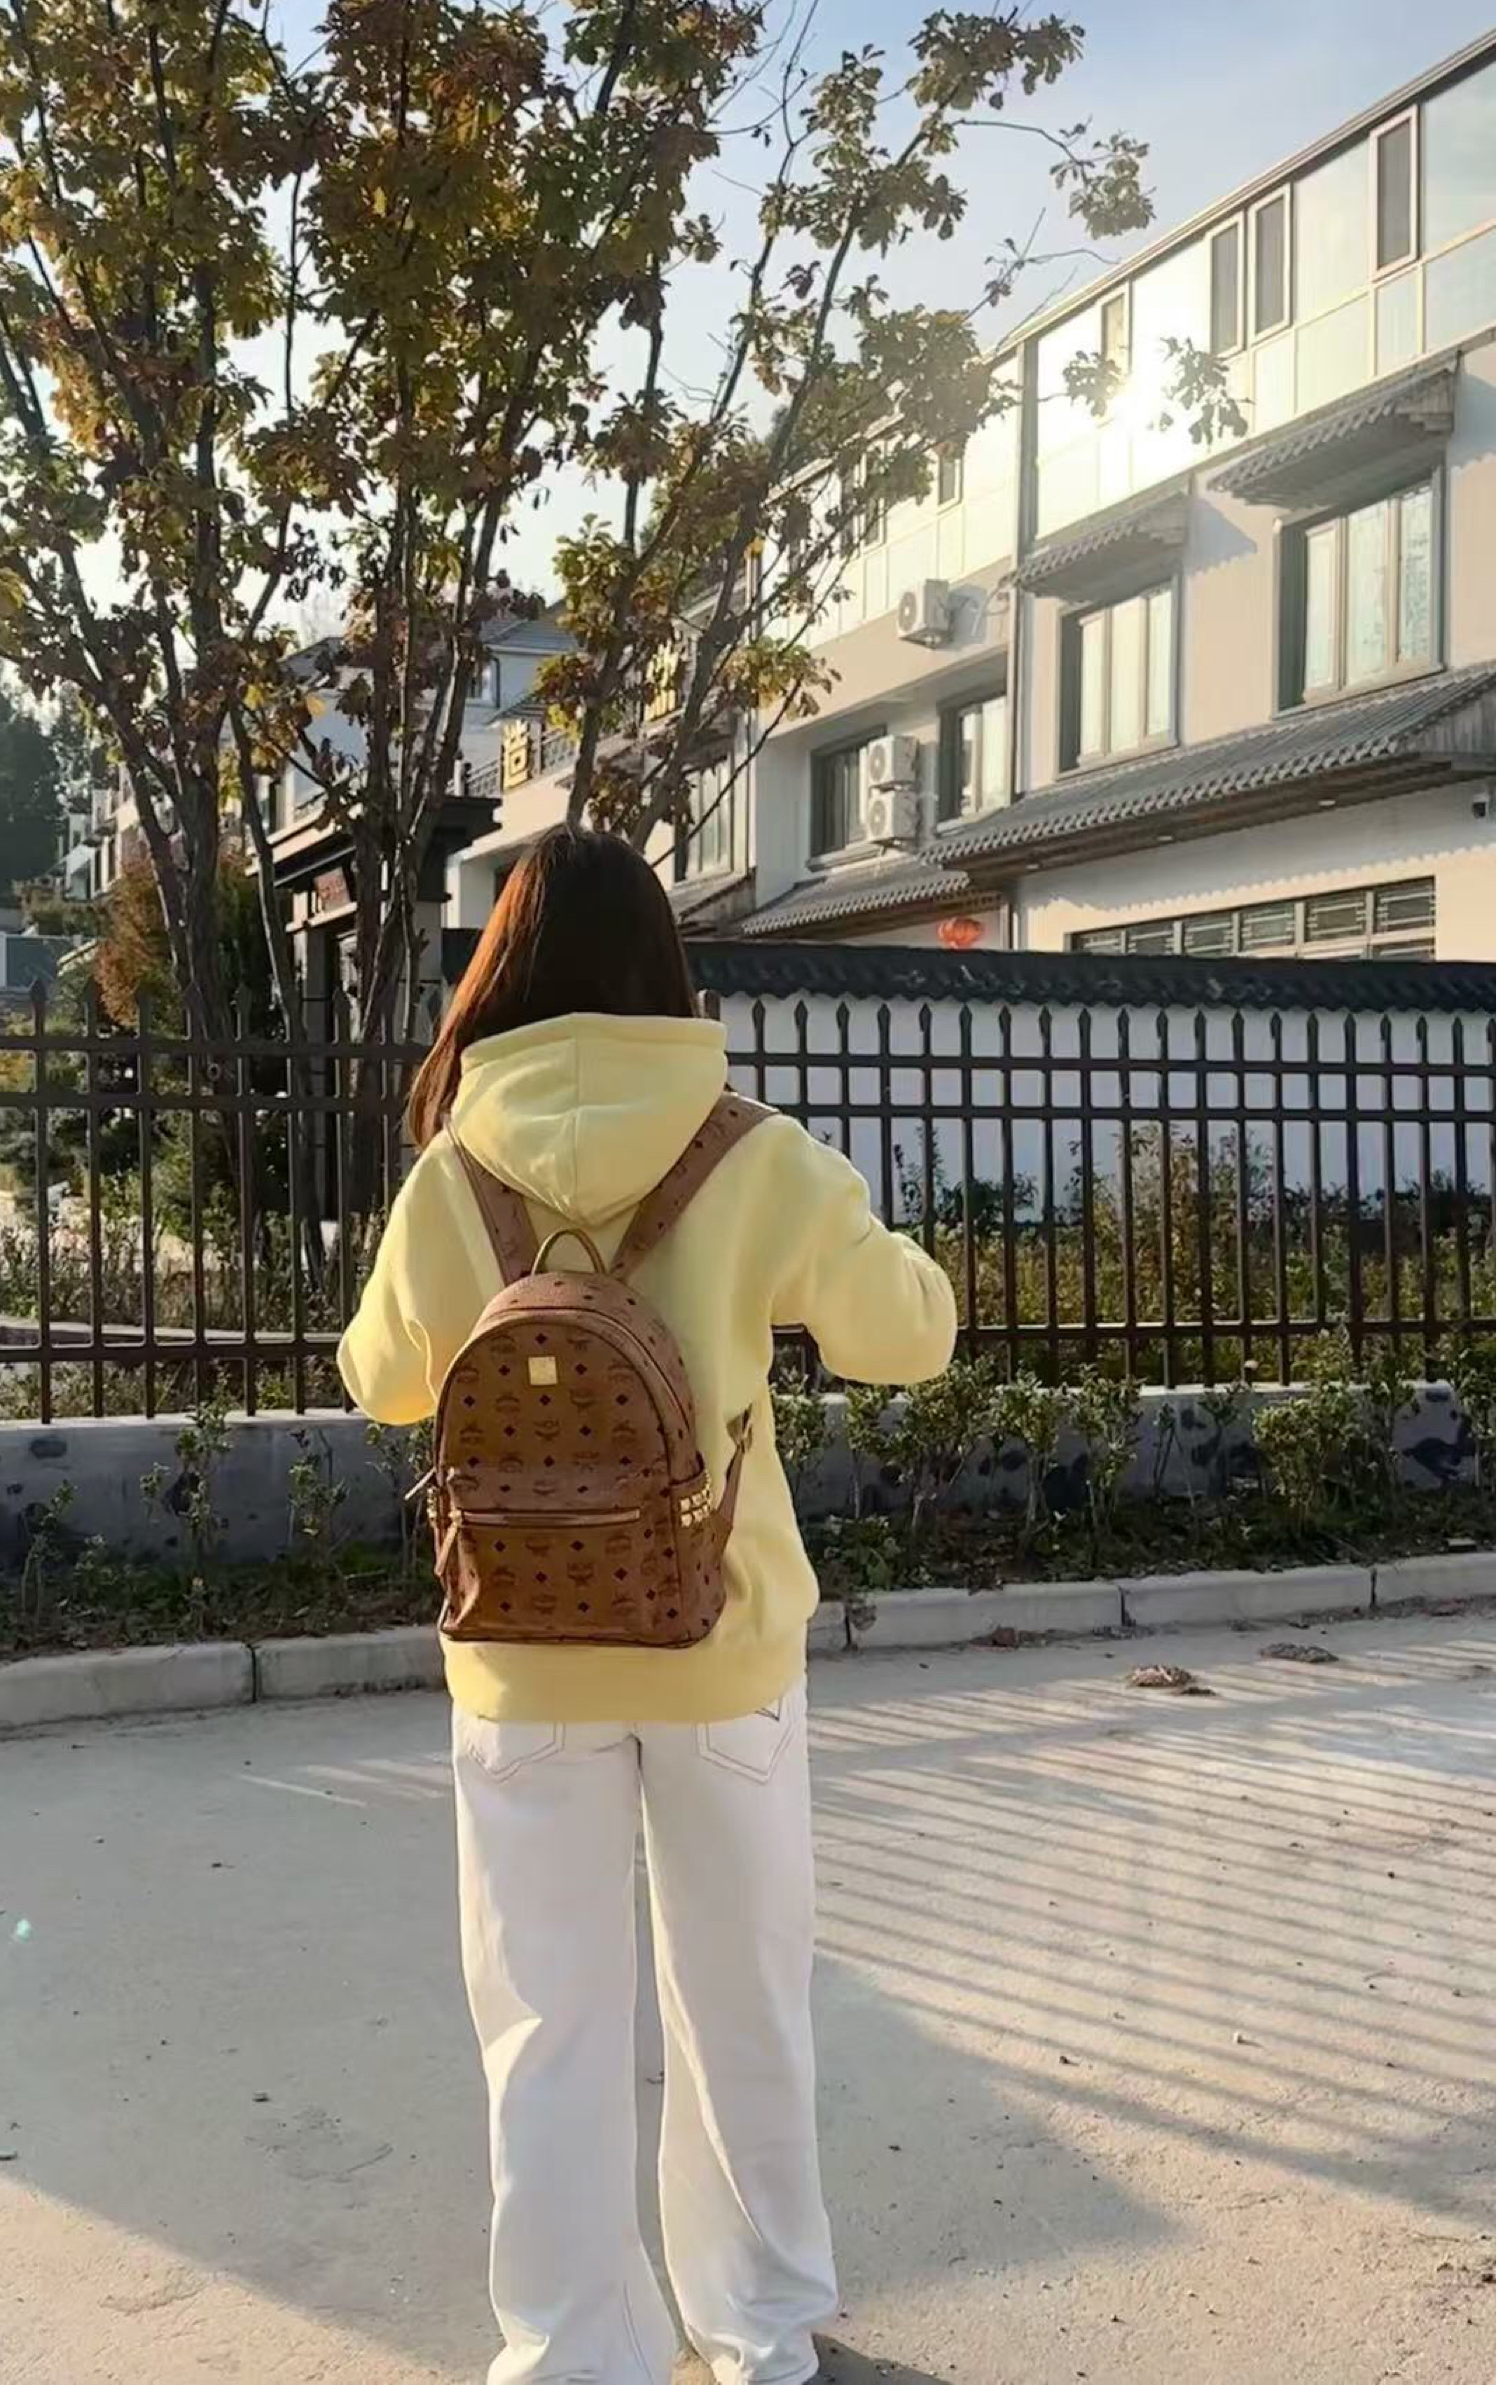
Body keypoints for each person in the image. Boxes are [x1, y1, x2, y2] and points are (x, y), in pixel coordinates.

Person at [339, 826, 957, 2385]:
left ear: (503, 974)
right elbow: (904, 1340)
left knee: (542, 2022)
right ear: (663, 972)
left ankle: (569, 2350)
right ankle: (756, 2331)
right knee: (738, 1999)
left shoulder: (456, 1166)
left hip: (518, 1655)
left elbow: (385, 1383)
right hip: (717, 1642)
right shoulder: (750, 1150)